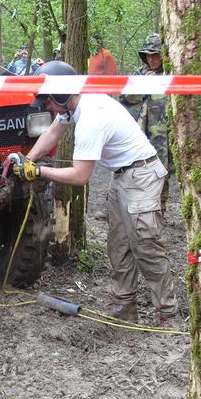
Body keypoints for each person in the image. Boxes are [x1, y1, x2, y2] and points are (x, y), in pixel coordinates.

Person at [19, 60, 179, 328]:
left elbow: (80, 177)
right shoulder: (76, 105)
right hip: (122, 176)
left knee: (146, 245)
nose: (45, 105)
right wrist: (27, 160)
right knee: (118, 243)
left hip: (141, 175)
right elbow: (53, 131)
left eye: (47, 99)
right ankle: (124, 304)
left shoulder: (91, 118)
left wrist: (40, 172)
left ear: (61, 93)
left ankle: (168, 313)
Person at [121, 33, 172, 213]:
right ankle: (147, 209)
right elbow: (125, 97)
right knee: (145, 170)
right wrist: (143, 86)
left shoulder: (173, 72)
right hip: (145, 132)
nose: (151, 59)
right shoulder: (141, 73)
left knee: (165, 171)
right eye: (148, 55)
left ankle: (160, 208)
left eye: (155, 54)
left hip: (170, 133)